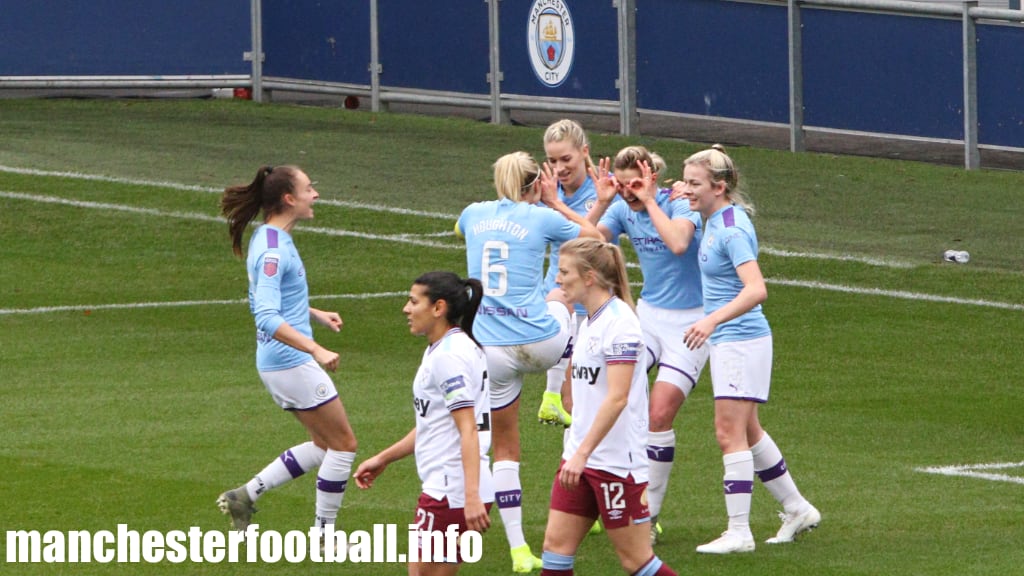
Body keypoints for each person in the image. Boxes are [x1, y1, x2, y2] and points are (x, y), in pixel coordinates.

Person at [455, 151, 601, 573]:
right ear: (537, 183)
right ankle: (558, 393)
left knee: (505, 446)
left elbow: (465, 228)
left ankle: (519, 549)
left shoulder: (472, 214)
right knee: (560, 296)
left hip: (490, 350)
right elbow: (593, 237)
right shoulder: (543, 216)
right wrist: (554, 203)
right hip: (543, 343)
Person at [677, 146, 820, 554]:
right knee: (749, 430)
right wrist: (683, 191)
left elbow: (756, 289)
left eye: (694, 184)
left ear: (719, 188)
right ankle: (797, 508)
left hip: (740, 340)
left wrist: (710, 320)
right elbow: (696, 191)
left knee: (728, 433)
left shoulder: (731, 230)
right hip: (733, 341)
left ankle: (738, 532)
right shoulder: (715, 215)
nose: (687, 189)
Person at [216, 165, 357, 537]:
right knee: (343, 447)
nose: (316, 194)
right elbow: (264, 314)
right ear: (289, 199)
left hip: (280, 362)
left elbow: (275, 298)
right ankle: (324, 537)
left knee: (325, 446)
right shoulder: (273, 250)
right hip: (291, 362)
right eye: (310, 188)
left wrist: (314, 313)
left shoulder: (270, 238)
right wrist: (316, 348)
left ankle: (244, 497)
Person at [585, 146, 708, 545]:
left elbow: (677, 244)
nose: (627, 193)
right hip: (650, 319)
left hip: (691, 324)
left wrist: (653, 200)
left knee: (659, 414)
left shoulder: (678, 204)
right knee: (616, 394)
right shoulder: (621, 207)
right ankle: (611, 490)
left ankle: (648, 515)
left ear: (652, 178)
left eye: (634, 185)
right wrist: (599, 204)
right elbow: (585, 245)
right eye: (621, 186)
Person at [538, 237, 678, 576]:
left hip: (614, 465)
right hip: (580, 460)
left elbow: (617, 398)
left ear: (589, 277)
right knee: (555, 550)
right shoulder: (589, 321)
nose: (558, 279)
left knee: (637, 562)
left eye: (564, 272)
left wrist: (583, 453)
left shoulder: (621, 324)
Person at [354, 271, 492, 575]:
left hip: (449, 490)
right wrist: (384, 458)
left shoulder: (448, 358)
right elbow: (436, 423)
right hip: (466, 485)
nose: (406, 308)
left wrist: (469, 497)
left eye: (414, 301)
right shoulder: (458, 346)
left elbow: (467, 428)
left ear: (438, 307)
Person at [537, 119, 611, 428]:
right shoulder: (546, 193)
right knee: (571, 404)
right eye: (552, 160)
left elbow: (589, 241)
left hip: (594, 309)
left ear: (584, 152)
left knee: (594, 400)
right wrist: (551, 201)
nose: (559, 167)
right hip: (559, 306)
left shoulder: (604, 190)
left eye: (566, 159)